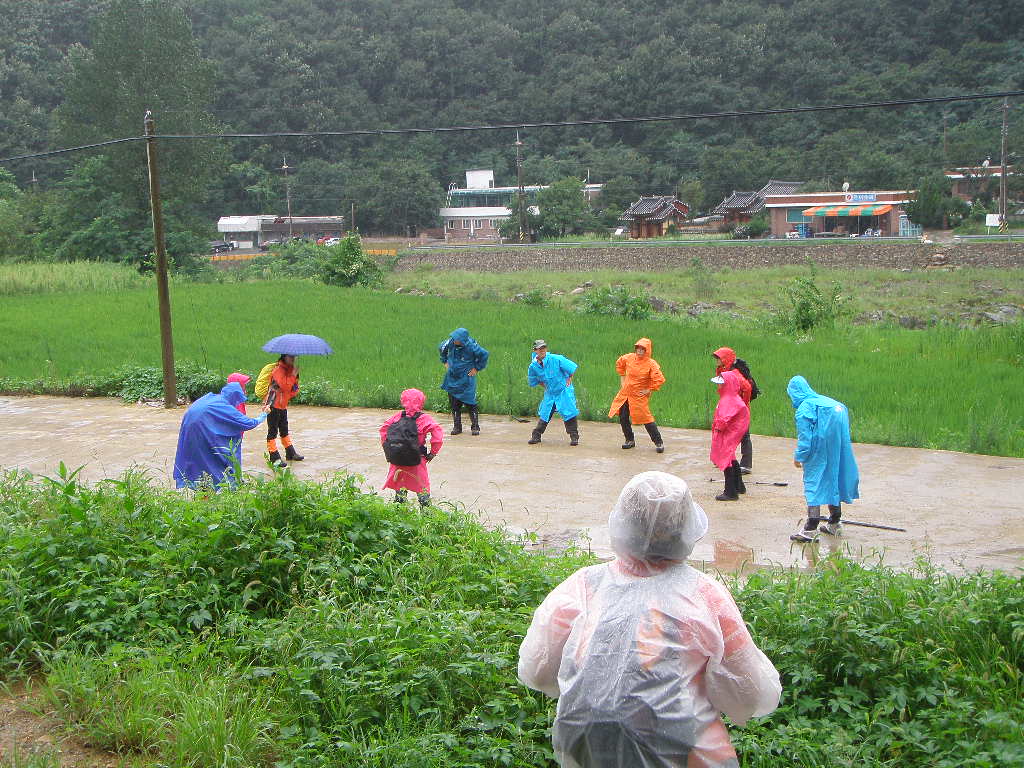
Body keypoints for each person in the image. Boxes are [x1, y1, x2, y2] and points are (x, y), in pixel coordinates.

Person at [518, 471, 781, 768]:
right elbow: (751, 695)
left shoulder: (583, 586)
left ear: (622, 522)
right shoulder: (706, 596)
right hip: (685, 754)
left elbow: (537, 672)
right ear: (686, 529)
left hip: (584, 747)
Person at [787, 375, 860, 542]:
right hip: (838, 447)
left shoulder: (805, 407)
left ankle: (810, 528)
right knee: (833, 480)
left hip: (818, 450)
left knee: (814, 483)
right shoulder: (829, 402)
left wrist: (800, 456)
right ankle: (835, 523)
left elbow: (806, 437)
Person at [173, 381, 268, 489]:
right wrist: (263, 415)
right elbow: (248, 423)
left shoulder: (211, 398)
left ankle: (197, 486)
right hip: (201, 431)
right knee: (218, 457)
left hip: (189, 432)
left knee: (197, 461)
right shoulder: (224, 407)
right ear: (234, 397)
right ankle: (224, 485)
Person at [380, 388, 443, 507]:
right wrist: (433, 453)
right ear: (422, 401)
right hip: (417, 460)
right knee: (422, 488)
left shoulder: (397, 417)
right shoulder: (425, 419)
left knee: (400, 488)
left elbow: (383, 430)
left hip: (398, 460)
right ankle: (426, 516)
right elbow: (437, 436)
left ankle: (400, 513)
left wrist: (389, 450)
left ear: (403, 401)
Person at [608, 338, 665, 452]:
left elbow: (659, 379)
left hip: (639, 396)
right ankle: (629, 440)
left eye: (642, 349)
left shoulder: (651, 364)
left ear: (647, 350)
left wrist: (649, 389)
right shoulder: (628, 357)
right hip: (625, 394)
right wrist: (622, 379)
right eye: (638, 348)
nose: (639, 351)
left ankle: (658, 442)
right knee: (623, 417)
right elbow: (620, 364)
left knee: (646, 419)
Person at [712, 349, 759, 474]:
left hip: (739, 410)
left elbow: (747, 388)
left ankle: (746, 465)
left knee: (744, 436)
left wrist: (741, 405)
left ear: (725, 359)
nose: (716, 361)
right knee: (726, 435)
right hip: (730, 409)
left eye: (718, 358)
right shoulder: (723, 370)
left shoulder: (735, 372)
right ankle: (725, 459)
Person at [527, 339, 580, 446]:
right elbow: (534, 380)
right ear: (535, 350)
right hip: (550, 393)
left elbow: (571, 368)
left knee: (569, 413)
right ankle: (536, 435)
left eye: (544, 348)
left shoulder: (556, 359)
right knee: (545, 413)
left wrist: (570, 377)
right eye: (540, 348)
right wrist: (545, 386)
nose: (542, 350)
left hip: (563, 391)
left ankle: (574, 436)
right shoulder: (533, 366)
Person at [439, 327, 489, 436]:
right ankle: (457, 427)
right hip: (452, 377)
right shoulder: (450, 342)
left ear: (463, 340)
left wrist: (477, 368)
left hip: (466, 378)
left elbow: (484, 355)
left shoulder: (472, 346)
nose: (454, 340)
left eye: (457, 339)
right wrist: (444, 361)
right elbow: (441, 348)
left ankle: (475, 426)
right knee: (454, 404)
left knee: (470, 403)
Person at [711, 369, 750, 501]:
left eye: (721, 384)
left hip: (727, 433)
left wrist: (718, 430)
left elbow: (724, 418)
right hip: (732, 432)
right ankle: (739, 486)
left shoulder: (728, 400)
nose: (719, 386)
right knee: (731, 457)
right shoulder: (733, 398)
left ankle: (730, 492)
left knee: (726, 459)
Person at [264, 354, 302, 467]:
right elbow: (284, 386)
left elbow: (292, 390)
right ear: (284, 357)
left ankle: (290, 453)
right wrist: (293, 376)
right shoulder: (278, 370)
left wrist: (295, 378)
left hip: (282, 405)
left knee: (284, 429)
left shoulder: (290, 371)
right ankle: (274, 456)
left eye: (294, 357)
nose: (293, 359)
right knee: (272, 432)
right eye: (291, 357)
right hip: (272, 405)